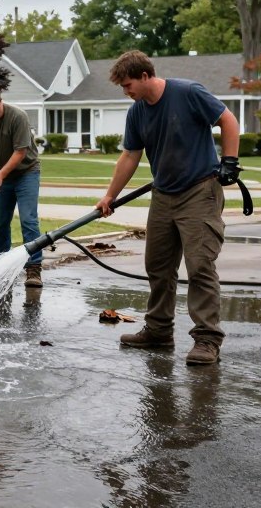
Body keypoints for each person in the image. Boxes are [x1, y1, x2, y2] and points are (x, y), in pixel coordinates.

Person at [95, 50, 239, 366]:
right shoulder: (137, 113)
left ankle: (207, 340)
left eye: (128, 84)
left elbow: (227, 119)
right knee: (158, 266)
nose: (126, 91)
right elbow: (130, 157)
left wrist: (229, 162)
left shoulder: (188, 92)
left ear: (145, 76)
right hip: (163, 194)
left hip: (200, 190)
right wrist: (110, 196)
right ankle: (159, 331)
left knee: (199, 265)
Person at [0, 83, 43, 287]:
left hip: (26, 172)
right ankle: (1, 267)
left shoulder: (17, 117)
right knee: (0, 223)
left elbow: (20, 151)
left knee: (28, 220)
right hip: (1, 176)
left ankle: (34, 269)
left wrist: (0, 174)